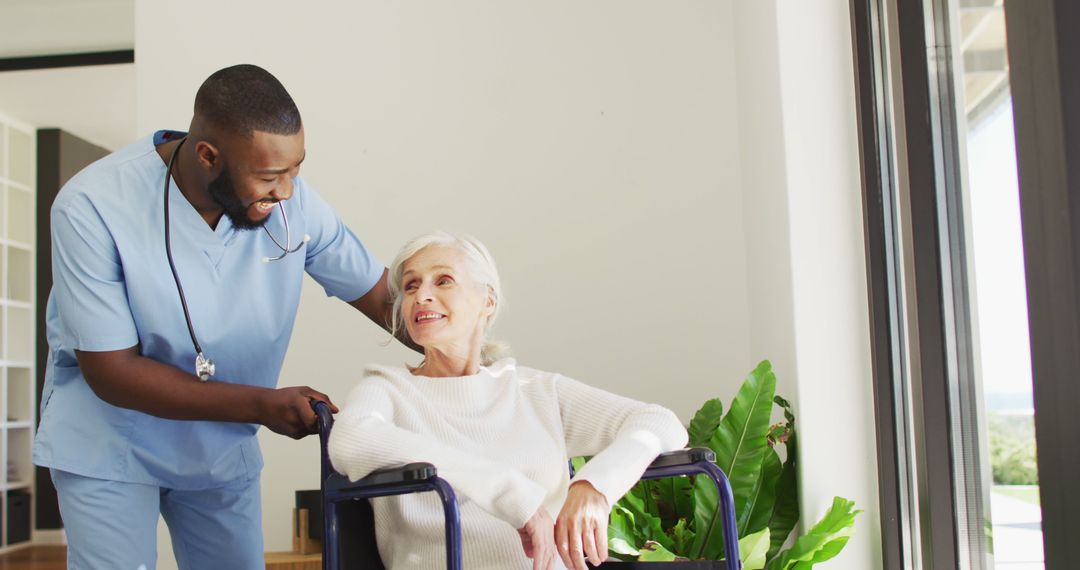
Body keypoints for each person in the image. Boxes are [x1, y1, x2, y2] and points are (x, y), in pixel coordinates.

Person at [32, 64, 403, 570]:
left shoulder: (293, 203)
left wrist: (469, 356)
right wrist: (262, 405)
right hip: (111, 443)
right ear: (208, 157)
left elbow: (388, 299)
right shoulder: (91, 206)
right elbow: (111, 372)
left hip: (220, 447)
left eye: (296, 170)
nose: (288, 192)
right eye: (270, 177)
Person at [328, 232, 689, 570]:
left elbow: (658, 423)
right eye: (410, 285)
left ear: (488, 300)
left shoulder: (534, 389)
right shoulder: (388, 390)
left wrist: (594, 487)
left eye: (443, 281)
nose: (421, 295)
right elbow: (350, 439)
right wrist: (507, 491)